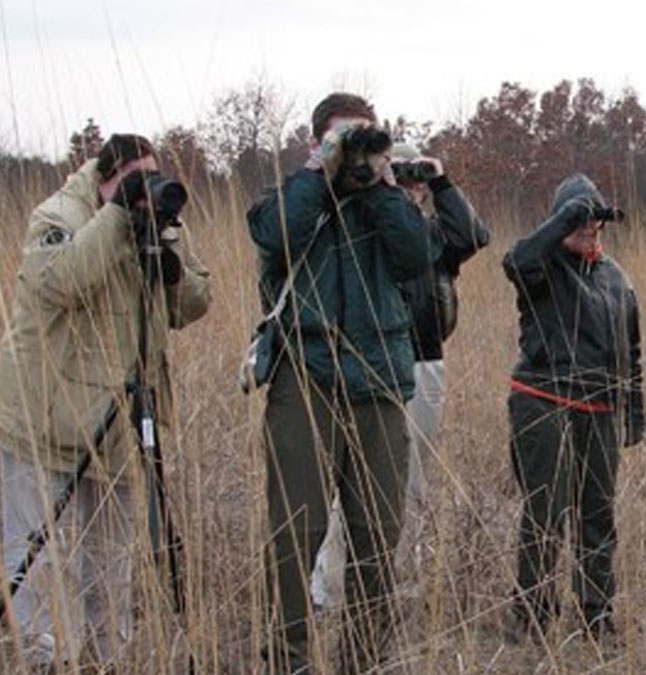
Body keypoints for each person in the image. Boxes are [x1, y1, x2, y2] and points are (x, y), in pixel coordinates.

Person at [0, 134, 211, 669]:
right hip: (45, 416)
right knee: (39, 559)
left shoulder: (157, 227)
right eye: (134, 182)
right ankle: (43, 662)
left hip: (119, 424)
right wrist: (115, 218)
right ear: (104, 179)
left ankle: (110, 657)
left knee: (109, 559)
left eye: (152, 180)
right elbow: (59, 282)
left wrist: (171, 265)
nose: (144, 194)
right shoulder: (59, 214)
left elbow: (196, 303)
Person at [246, 92, 432, 673]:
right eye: (342, 139)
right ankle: (289, 660)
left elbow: (416, 256)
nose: (355, 151)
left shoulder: (388, 201)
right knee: (295, 533)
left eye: (366, 138)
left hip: (378, 379)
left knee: (378, 534)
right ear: (316, 142)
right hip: (306, 375)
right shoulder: (293, 197)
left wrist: (378, 182)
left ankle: (364, 660)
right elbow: (275, 235)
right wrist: (321, 171)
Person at [309, 142, 491, 607]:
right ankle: (329, 588)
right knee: (351, 483)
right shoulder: (365, 231)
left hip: (425, 364)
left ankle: (397, 584)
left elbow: (473, 235)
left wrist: (442, 181)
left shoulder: (432, 237)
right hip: (372, 365)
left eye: (417, 183)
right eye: (402, 177)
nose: (412, 189)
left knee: (410, 482)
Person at [501, 173, 646, 643]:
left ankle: (596, 614)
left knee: (597, 514)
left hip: (600, 408)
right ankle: (533, 616)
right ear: (560, 221)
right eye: (580, 221)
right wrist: (564, 219)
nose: (590, 229)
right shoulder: (542, 268)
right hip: (544, 401)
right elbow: (516, 259)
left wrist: (634, 407)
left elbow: (632, 349)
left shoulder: (616, 277)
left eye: (595, 221)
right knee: (547, 511)